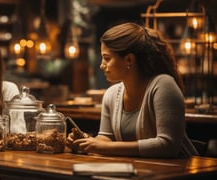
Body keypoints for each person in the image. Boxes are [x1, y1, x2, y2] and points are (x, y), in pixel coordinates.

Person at [66, 22, 199, 158]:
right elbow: (106, 139)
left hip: (181, 173)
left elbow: (168, 145)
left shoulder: (163, 85)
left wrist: (106, 147)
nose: (101, 65)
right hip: (139, 171)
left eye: (107, 58)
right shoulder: (111, 94)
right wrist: (86, 141)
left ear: (129, 59)